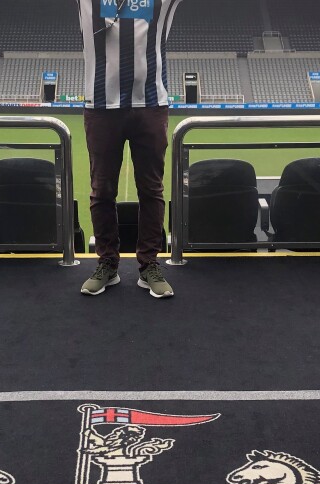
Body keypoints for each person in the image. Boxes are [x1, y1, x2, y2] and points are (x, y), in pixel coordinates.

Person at [76, 0, 183, 298]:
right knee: (102, 190)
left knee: (151, 189)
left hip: (151, 105)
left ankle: (149, 264)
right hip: (100, 106)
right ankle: (107, 263)